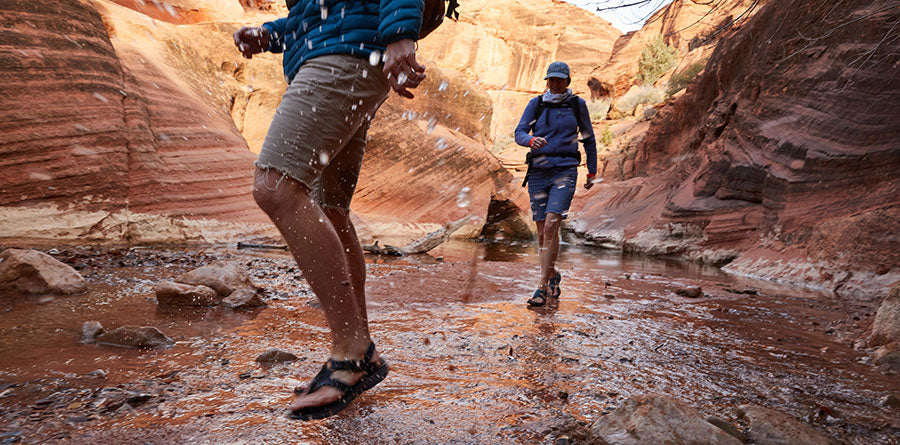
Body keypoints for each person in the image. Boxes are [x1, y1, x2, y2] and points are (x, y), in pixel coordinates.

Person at [232, 0, 426, 420]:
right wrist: (271, 34)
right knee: (331, 210)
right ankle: (358, 351)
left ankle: (352, 351)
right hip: (342, 53)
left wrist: (400, 32)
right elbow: (319, 11)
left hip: (343, 57)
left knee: (275, 187)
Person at [514, 61, 597, 307]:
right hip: (538, 173)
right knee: (542, 233)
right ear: (546, 81)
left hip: (565, 171)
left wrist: (592, 172)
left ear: (568, 82)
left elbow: (589, 138)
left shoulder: (577, 105)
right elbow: (519, 132)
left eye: (560, 79)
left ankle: (540, 288)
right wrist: (530, 140)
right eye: (551, 79)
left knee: (552, 224)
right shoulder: (536, 104)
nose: (555, 83)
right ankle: (553, 275)